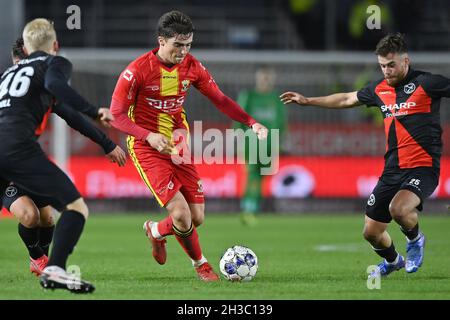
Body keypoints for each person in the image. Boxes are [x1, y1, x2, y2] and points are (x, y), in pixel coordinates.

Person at [110, 10, 268, 281]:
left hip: (177, 143)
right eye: (177, 45)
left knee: (196, 217)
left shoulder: (192, 67)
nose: (183, 51)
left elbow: (219, 99)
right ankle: (201, 265)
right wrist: (148, 136)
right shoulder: (136, 71)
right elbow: (116, 115)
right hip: (146, 146)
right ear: (161, 41)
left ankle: (156, 231)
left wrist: (251, 122)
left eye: (188, 45)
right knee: (181, 214)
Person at [280, 33, 450, 278]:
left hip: (423, 167)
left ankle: (415, 240)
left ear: (406, 61)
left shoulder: (428, 83)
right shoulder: (379, 89)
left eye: (391, 65)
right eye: (382, 66)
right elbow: (347, 98)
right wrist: (308, 101)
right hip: (392, 169)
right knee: (371, 232)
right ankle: (393, 261)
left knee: (399, 209)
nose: (387, 71)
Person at [0, 18, 114, 293]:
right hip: (16, 148)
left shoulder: (7, 75)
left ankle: (43, 261)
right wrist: (95, 111)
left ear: (25, 47)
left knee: (43, 216)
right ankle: (55, 269)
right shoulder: (53, 62)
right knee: (75, 207)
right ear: (55, 45)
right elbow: (57, 86)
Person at [234, 66, 287, 225]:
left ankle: (252, 207)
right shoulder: (249, 96)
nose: (265, 81)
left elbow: (282, 122)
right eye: (263, 78)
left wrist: (280, 141)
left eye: (268, 78)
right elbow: (238, 117)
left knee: (262, 178)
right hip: (251, 144)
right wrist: (239, 138)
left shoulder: (276, 99)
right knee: (253, 176)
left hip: (270, 145)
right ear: (258, 79)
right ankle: (248, 209)